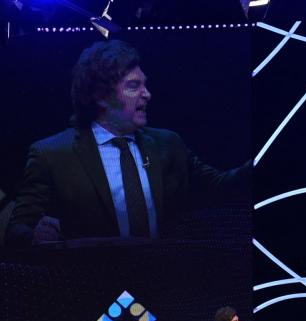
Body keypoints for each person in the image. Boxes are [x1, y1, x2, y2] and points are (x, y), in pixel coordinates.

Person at [5, 39, 249, 247]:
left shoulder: (167, 144)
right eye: (134, 86)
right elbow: (17, 230)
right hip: (87, 288)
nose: (147, 94)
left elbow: (220, 188)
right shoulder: (51, 155)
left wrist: (267, 161)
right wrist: (34, 236)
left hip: (167, 286)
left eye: (145, 84)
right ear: (100, 96)